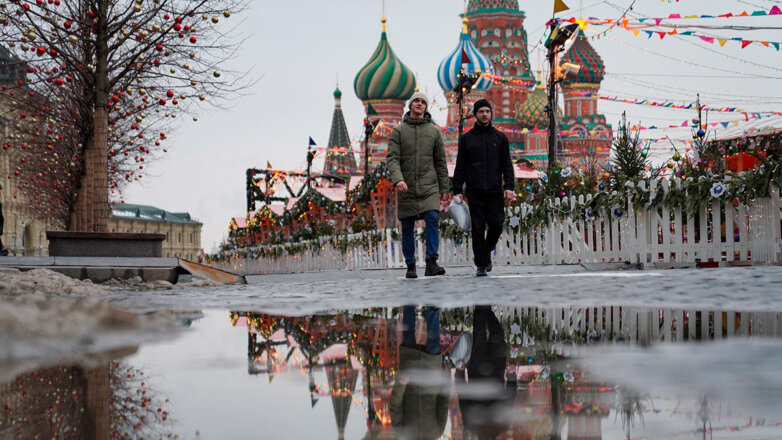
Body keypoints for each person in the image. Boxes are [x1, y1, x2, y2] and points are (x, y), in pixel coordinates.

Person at [387, 92, 450, 279]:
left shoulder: (434, 132)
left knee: (432, 218)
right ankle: (411, 264)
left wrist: (444, 188)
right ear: (410, 105)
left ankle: (431, 261)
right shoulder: (399, 131)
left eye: (423, 101)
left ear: (426, 107)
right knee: (407, 226)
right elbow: (392, 158)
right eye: (416, 101)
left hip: (429, 185)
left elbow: (440, 162)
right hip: (406, 186)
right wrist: (398, 179)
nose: (420, 104)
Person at [451, 99, 515, 276]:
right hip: (475, 191)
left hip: (495, 190)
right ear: (475, 114)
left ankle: (485, 253)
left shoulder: (500, 138)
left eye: (487, 111)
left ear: (491, 114)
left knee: (497, 225)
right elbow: (461, 165)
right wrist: (457, 189)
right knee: (478, 229)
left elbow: (506, 165)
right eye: (481, 112)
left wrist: (509, 186)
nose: (485, 114)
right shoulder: (467, 139)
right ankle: (481, 264)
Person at [390, 305, 449, 440]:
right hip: (431, 376)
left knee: (408, 335)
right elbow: (443, 402)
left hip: (410, 377)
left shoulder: (402, 434)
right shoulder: (437, 432)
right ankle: (432, 309)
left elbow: (395, 405)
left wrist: (401, 384)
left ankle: (409, 305)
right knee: (434, 342)